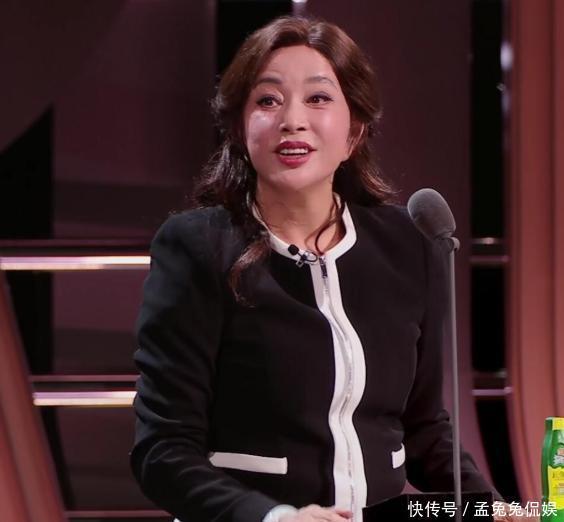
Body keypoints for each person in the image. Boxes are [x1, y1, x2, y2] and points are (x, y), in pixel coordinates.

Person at [130, 15, 535, 522]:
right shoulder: (197, 247)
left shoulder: (409, 244)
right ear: (239, 128)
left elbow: (425, 428)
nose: (292, 119)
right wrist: (277, 518)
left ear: (354, 132)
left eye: (318, 98)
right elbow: (163, 451)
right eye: (268, 100)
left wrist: (489, 509)